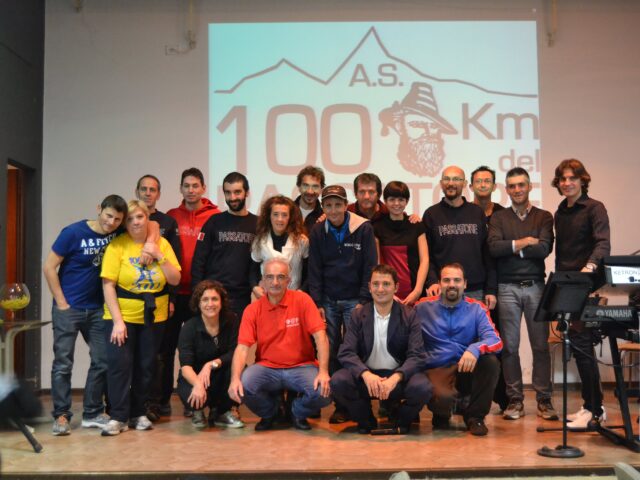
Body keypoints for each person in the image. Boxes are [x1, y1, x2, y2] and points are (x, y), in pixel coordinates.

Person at [43, 195, 128, 436]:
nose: (111, 222)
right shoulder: (73, 232)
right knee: (63, 364)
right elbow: (49, 267)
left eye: (117, 219)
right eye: (108, 215)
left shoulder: (117, 233)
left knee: (103, 360)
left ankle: (92, 412)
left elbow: (149, 225)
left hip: (98, 310)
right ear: (99, 209)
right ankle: (61, 415)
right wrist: (61, 302)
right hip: (69, 309)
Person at [100, 200, 181, 435]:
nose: (135, 222)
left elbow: (175, 279)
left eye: (140, 217)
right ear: (124, 224)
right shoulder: (117, 246)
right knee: (120, 366)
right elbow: (108, 285)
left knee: (146, 366)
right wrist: (117, 321)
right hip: (122, 316)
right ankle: (118, 416)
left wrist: (158, 255)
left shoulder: (161, 244)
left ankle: (138, 413)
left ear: (147, 218)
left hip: (154, 316)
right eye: (130, 219)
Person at [228, 258, 331, 431]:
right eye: (270, 277)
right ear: (262, 281)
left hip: (301, 366)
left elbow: (321, 337)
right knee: (243, 386)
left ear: (288, 280)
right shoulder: (252, 310)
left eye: (281, 277)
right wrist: (235, 379)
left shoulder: (303, 300)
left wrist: (323, 372)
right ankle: (272, 412)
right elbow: (242, 348)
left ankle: (296, 411)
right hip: (267, 368)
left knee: (324, 391)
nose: (275, 282)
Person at [488, 167, 557, 421]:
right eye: (512, 186)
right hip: (506, 288)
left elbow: (544, 249)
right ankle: (515, 400)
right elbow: (494, 248)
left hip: (536, 286)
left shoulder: (544, 216)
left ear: (529, 187)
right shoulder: (499, 218)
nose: (517, 190)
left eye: (521, 185)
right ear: (507, 189)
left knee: (540, 346)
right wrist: (526, 241)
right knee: (510, 347)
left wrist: (512, 247)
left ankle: (544, 400)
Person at [331, 265, 431, 434]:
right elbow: (346, 352)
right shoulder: (358, 315)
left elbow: (417, 355)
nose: (380, 289)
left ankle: (401, 420)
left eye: (386, 284)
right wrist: (366, 374)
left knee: (423, 388)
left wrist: (396, 377)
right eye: (376, 284)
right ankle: (365, 419)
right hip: (367, 377)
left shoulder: (409, 315)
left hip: (397, 377)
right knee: (338, 381)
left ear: (396, 287)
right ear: (369, 287)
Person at [308, 184, 377, 423]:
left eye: (338, 205)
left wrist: (363, 299)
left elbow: (370, 266)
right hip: (327, 300)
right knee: (330, 350)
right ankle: (341, 406)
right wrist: (317, 301)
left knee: (354, 349)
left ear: (346, 205)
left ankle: (360, 403)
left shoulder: (363, 228)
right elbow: (314, 268)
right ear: (323, 207)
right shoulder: (318, 230)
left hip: (355, 300)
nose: (334, 210)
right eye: (328, 205)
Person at [552, 158, 610, 429]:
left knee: (583, 346)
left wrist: (590, 267)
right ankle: (590, 406)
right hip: (566, 286)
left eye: (572, 178)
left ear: (582, 180)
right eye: (563, 179)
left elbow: (603, 243)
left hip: (586, 285)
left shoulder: (595, 208)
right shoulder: (560, 212)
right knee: (577, 345)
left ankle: (595, 409)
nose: (567, 183)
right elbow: (562, 254)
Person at [415, 263, 502, 436]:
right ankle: (442, 412)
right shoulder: (422, 307)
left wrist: (475, 349)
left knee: (490, 362)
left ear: (465, 284)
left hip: (465, 365)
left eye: (457, 280)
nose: (452, 284)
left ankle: (475, 417)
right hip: (437, 367)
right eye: (446, 280)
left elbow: (495, 340)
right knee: (443, 400)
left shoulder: (477, 308)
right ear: (439, 284)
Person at [162, 168, 220, 416]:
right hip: (174, 294)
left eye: (195, 185)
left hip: (202, 295)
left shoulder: (215, 216)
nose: (191, 190)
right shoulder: (171, 217)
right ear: (181, 188)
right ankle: (163, 400)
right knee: (167, 348)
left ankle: (199, 399)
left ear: (203, 188)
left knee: (200, 349)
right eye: (186, 185)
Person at [135, 174, 182, 420]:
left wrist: (172, 298)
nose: (148, 193)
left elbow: (175, 260)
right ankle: (135, 403)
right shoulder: (129, 219)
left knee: (161, 353)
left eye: (152, 189)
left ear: (159, 194)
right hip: (131, 300)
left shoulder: (168, 222)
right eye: (143, 189)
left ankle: (161, 401)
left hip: (162, 298)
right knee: (136, 355)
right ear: (137, 191)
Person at [422, 165, 497, 310]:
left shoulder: (477, 213)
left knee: (476, 326)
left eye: (456, 179)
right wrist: (432, 281)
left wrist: (491, 289)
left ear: (464, 183)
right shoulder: (431, 214)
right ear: (441, 183)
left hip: (476, 290)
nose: (451, 183)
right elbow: (427, 255)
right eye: (447, 179)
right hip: (443, 289)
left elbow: (487, 254)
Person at [177, 280, 243, 429]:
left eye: (214, 299)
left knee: (241, 369)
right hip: (195, 375)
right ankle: (197, 411)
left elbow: (235, 352)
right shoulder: (189, 327)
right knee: (191, 391)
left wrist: (211, 364)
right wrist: (197, 384)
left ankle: (222, 413)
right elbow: (186, 366)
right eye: (205, 299)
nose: (210, 304)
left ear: (221, 302)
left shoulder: (232, 320)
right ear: (198, 303)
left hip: (221, 372)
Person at [191, 172, 258, 319]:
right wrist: (197, 294)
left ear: (247, 192)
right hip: (214, 295)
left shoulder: (257, 224)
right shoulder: (214, 221)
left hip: (242, 298)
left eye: (237, 192)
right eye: (228, 192)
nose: (232, 197)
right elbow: (198, 260)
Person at [470, 165, 508, 411]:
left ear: (494, 186)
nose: (483, 185)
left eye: (487, 181)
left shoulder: (503, 215)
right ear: (471, 186)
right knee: (471, 341)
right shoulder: (465, 213)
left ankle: (503, 397)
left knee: (497, 341)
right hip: (472, 287)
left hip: (498, 285)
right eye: (478, 181)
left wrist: (491, 288)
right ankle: (469, 396)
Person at [373, 181, 429, 305]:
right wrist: (388, 293)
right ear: (385, 201)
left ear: (407, 201)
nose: (396, 204)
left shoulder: (416, 225)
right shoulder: (377, 227)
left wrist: (418, 290)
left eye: (401, 199)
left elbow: (424, 260)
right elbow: (376, 263)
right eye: (392, 199)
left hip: (415, 292)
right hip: (387, 294)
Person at [251, 195, 309, 297]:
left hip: (294, 297)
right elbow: (252, 270)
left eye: (284, 215)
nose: (280, 219)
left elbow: (309, 271)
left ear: (290, 217)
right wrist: (255, 287)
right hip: (267, 297)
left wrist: (302, 290)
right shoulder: (259, 241)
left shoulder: (302, 241)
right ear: (269, 216)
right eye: (275, 214)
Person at [294, 166, 325, 234]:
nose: (310, 191)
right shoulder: (287, 212)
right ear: (299, 187)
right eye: (305, 186)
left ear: (321, 189)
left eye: (315, 186)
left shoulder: (324, 218)